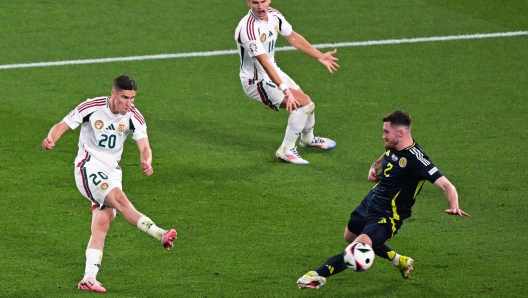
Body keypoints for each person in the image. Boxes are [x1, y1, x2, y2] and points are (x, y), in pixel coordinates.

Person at [296, 110, 470, 289]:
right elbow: (387, 156)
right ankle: (399, 261)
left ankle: (317, 275)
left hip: (389, 215)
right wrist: (374, 166)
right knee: (350, 236)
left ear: (400, 133)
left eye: (386, 132)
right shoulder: (394, 146)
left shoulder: (418, 160)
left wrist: (454, 205)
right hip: (370, 202)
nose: (383, 136)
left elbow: (448, 186)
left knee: (356, 250)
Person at [42, 75, 177, 293]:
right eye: (124, 97)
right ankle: (160, 233)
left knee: (103, 222)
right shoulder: (92, 107)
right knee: (122, 201)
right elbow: (62, 125)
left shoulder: (135, 116)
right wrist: (51, 139)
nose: (129, 103)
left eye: (132, 98)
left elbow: (145, 146)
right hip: (88, 167)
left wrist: (146, 161)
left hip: (112, 172)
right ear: (113, 94)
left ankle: (89, 277)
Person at [235, 0, 340, 164]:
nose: (260, 6)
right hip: (257, 82)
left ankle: (308, 139)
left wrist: (318, 55)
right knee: (303, 104)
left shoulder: (275, 15)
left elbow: (293, 37)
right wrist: (286, 91)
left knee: (308, 104)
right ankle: (286, 150)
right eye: (255, 2)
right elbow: (264, 63)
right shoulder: (247, 29)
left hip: (272, 71)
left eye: (263, 1)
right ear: (248, 2)